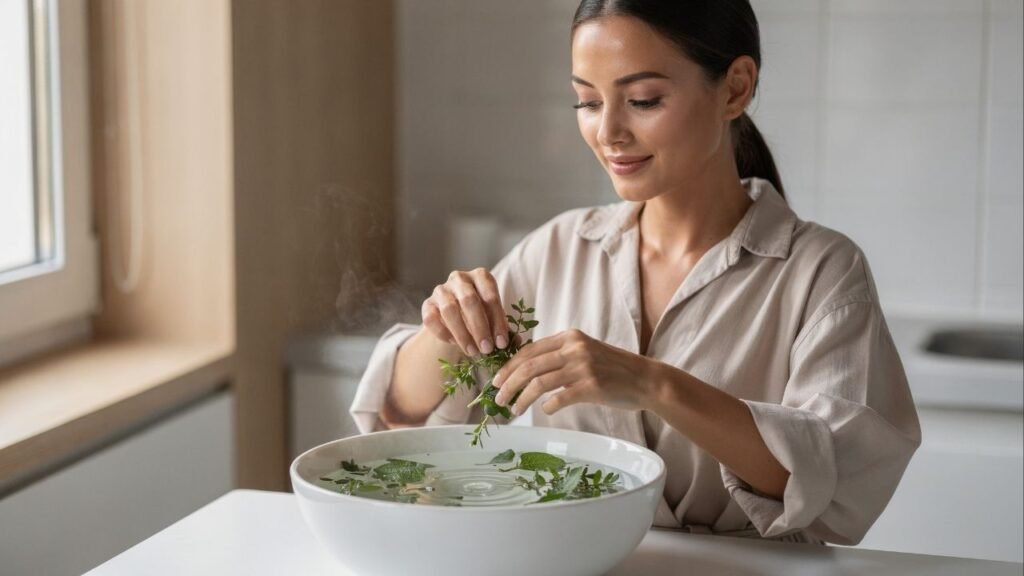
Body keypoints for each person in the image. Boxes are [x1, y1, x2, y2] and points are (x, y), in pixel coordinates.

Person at [351, 0, 920, 545]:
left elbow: (831, 479)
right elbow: (402, 416)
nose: (608, 133)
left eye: (643, 100)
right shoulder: (557, 248)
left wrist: (651, 384)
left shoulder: (821, 272)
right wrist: (444, 330)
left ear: (736, 87)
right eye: (587, 102)